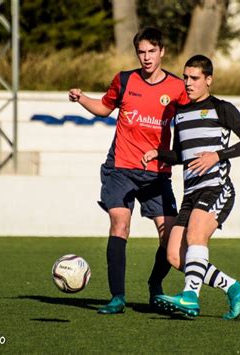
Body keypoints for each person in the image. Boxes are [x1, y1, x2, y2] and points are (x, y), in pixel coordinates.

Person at [69, 27, 188, 314]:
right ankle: (117, 297)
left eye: (151, 51)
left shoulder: (177, 88)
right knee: (120, 225)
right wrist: (82, 98)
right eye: (141, 52)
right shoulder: (124, 80)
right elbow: (104, 108)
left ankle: (154, 286)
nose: (146, 57)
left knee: (169, 234)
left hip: (157, 172)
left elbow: (188, 123)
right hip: (120, 168)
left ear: (162, 52)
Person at [141, 54, 240, 319]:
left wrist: (217, 155)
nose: (188, 83)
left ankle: (190, 297)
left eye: (194, 78)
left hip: (217, 188)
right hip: (191, 193)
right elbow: (183, 154)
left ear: (208, 80)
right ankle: (234, 288)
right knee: (173, 255)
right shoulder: (180, 113)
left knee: (196, 236)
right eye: (185, 77)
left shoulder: (222, 108)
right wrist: (158, 153)